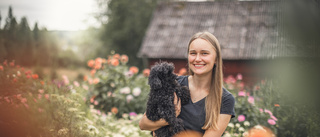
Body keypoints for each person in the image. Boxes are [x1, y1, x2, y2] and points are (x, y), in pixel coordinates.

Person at [139, 31, 235, 137]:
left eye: (204, 53)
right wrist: (170, 118)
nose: (197, 59)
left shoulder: (225, 99)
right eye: (193, 53)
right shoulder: (174, 84)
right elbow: (143, 124)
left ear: (216, 58)